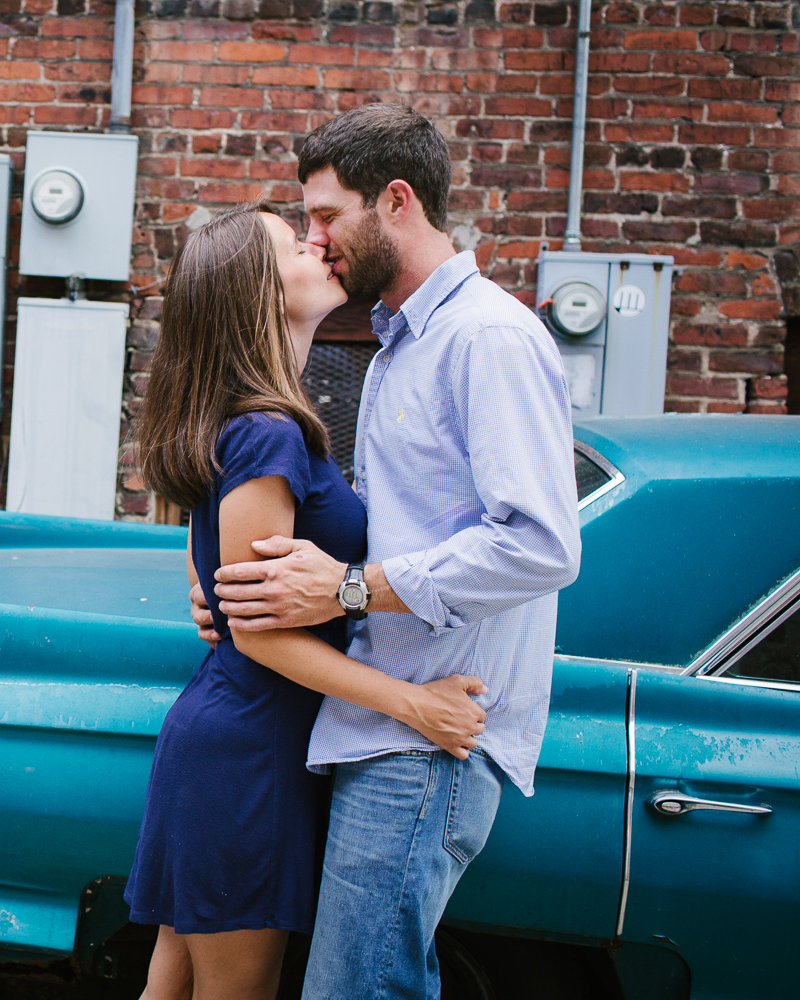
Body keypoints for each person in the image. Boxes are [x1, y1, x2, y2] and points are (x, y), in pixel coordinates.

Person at [200, 103, 583, 1000]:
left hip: (429, 736)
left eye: (327, 216)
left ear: (397, 201)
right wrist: (238, 592)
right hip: (385, 727)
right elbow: (400, 524)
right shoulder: (398, 347)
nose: (315, 238)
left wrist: (345, 590)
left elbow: (539, 544)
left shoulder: (485, 337)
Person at [125, 204, 493, 1000]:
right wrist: (414, 705)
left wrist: (216, 600)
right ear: (259, 291)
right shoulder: (268, 431)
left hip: (236, 740)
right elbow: (259, 633)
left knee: (174, 986)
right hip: (248, 751)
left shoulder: (262, 420)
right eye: (297, 242)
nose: (318, 241)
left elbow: (234, 592)